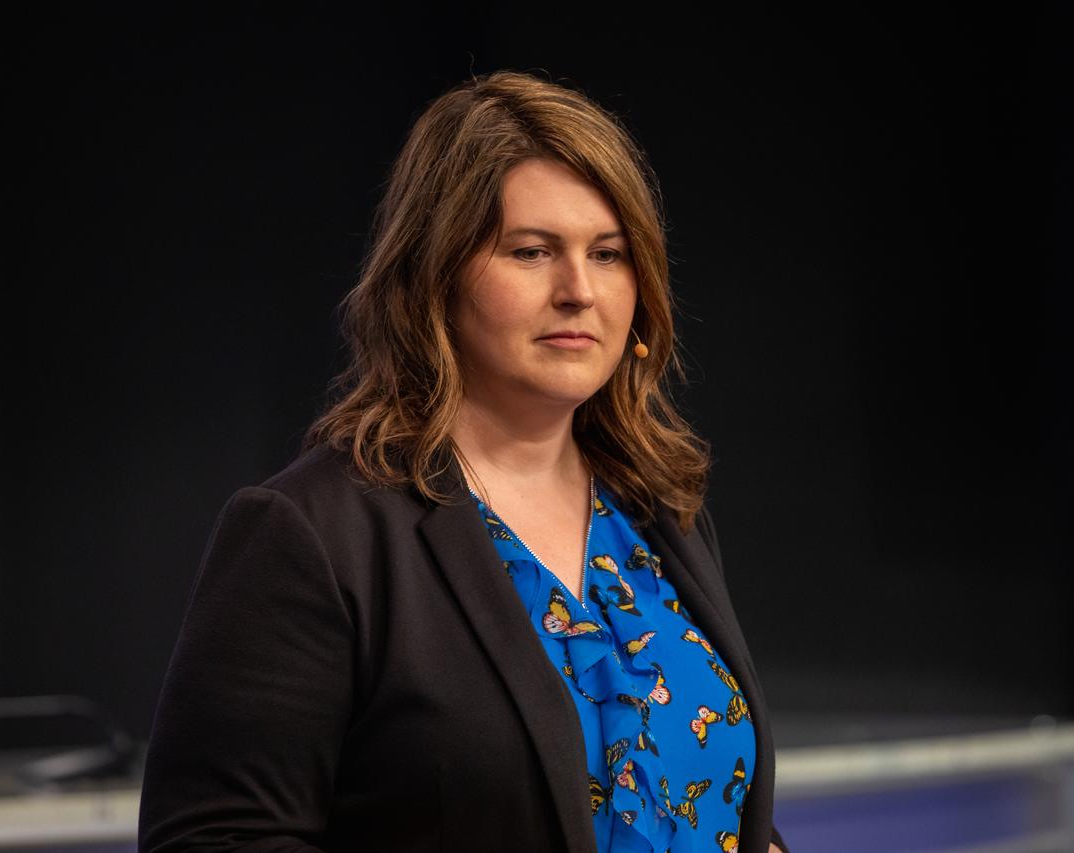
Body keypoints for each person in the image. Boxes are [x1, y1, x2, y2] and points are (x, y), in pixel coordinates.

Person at [138, 69, 790, 853]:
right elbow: (214, 840)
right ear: (434, 278)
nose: (579, 289)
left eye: (609, 253)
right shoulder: (311, 533)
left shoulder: (659, 512)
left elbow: (714, 807)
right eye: (531, 250)